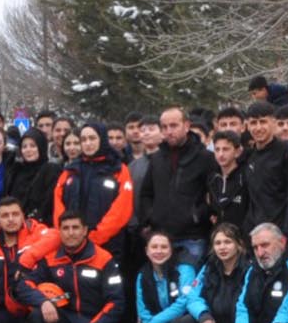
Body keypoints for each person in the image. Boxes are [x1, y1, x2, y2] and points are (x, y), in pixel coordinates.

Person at [18, 212, 122, 323]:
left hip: (94, 321)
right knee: (34, 319)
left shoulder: (104, 259)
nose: (70, 232)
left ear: (85, 231)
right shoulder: (50, 258)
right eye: (65, 228)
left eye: (75, 228)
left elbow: (116, 302)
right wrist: (43, 302)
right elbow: (24, 285)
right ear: (59, 232)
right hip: (66, 320)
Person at [138, 107, 216, 265]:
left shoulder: (205, 158)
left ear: (186, 126)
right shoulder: (157, 159)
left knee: (188, 286)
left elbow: (214, 194)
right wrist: (150, 217)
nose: (169, 131)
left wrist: (198, 215)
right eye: (164, 127)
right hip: (162, 238)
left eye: (174, 126)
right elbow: (146, 193)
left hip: (193, 237)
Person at [47, 122, 133, 257]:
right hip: (72, 244)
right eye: (84, 139)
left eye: (92, 138)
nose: (88, 143)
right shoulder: (71, 170)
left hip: (109, 245)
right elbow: (58, 204)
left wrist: (96, 237)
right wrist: (67, 232)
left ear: (102, 139)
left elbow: (122, 209)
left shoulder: (118, 169)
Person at [130, 229, 198, 323]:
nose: (159, 251)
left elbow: (182, 304)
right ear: (146, 251)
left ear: (171, 249)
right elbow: (143, 311)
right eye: (154, 247)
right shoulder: (142, 275)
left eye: (164, 247)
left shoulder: (185, 270)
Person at [240, 101, 288, 238]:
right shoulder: (249, 157)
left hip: (280, 231)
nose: (258, 128)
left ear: (274, 123)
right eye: (253, 123)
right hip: (256, 232)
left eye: (263, 122)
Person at [208, 130, 248, 233]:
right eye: (217, 149)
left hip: (241, 236)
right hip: (219, 237)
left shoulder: (246, 177)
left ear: (237, 152)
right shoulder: (212, 179)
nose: (221, 154)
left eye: (225, 149)